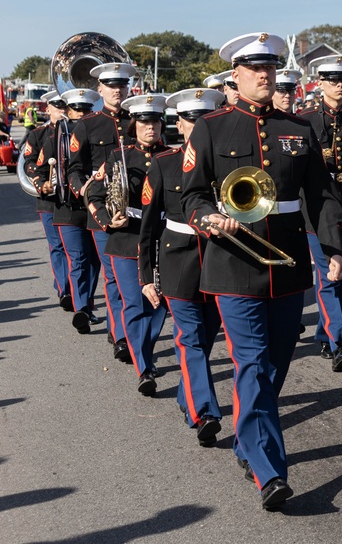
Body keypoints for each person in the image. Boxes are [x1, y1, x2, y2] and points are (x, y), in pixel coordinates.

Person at [181, 31, 342, 510]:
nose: (264, 75)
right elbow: (191, 194)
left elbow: (321, 196)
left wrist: (333, 248)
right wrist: (208, 218)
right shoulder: (211, 128)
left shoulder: (298, 128)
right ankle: (269, 468)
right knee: (251, 362)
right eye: (254, 68)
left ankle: (245, 439)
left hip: (288, 265)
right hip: (234, 265)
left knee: (274, 365)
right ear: (236, 75)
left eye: (270, 68)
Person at [139, 87, 227, 445]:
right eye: (193, 120)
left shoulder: (227, 160)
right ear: (180, 124)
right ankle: (203, 411)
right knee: (190, 338)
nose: (200, 125)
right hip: (178, 259)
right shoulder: (164, 163)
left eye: (206, 119)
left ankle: (187, 394)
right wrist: (147, 277)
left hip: (221, 260)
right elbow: (147, 227)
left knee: (205, 340)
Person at [86, 93, 171, 395]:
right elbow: (94, 196)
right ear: (134, 125)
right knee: (135, 304)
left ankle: (143, 350)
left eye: (156, 121)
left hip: (164, 240)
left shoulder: (171, 157)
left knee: (160, 308)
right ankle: (144, 369)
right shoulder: (119, 158)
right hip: (127, 240)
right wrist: (109, 221)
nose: (151, 127)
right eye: (145, 122)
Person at [67, 62, 137, 351]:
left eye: (121, 85)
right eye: (111, 85)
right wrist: (84, 190)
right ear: (100, 89)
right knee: (112, 274)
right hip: (102, 212)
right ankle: (121, 334)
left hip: (137, 209)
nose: (117, 90)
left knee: (137, 276)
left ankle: (127, 329)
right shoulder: (87, 124)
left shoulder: (139, 120)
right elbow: (74, 169)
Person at [299, 55, 342, 368]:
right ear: (320, 83)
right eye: (332, 80)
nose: (339, 85)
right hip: (317, 205)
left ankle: (324, 335)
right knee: (328, 275)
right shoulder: (305, 120)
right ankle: (338, 342)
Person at [31, 90, 101, 328]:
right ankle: (80, 309)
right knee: (78, 258)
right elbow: (39, 171)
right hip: (66, 207)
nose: (82, 115)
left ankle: (88, 304)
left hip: (95, 207)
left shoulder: (100, 135)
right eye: (77, 110)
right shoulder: (54, 139)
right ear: (69, 111)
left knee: (94, 261)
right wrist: (44, 184)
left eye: (86, 110)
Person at [23, 90, 71, 310]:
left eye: (65, 106)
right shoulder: (38, 135)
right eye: (57, 107)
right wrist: (40, 182)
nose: (62, 110)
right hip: (49, 200)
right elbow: (29, 163)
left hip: (73, 200)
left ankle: (71, 286)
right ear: (48, 108)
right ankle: (65, 290)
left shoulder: (78, 132)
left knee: (75, 248)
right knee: (58, 246)